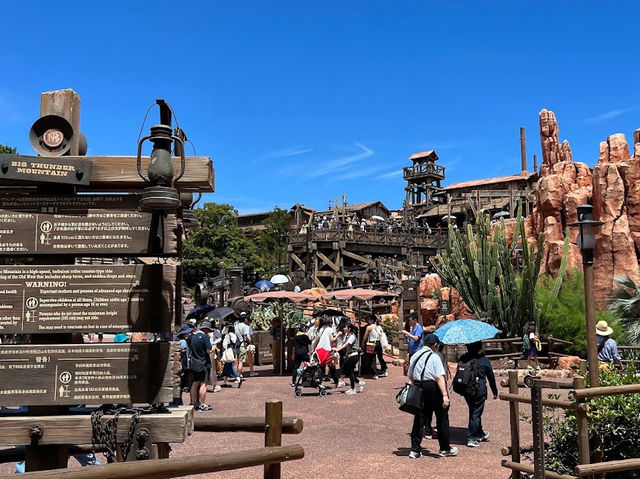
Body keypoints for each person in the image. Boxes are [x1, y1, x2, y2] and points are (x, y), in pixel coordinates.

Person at [407, 333, 457, 459]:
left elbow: (410, 375)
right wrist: (445, 395)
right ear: (435, 345)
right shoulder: (435, 357)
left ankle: (415, 449)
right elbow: (440, 377)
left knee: (419, 417)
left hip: (419, 386)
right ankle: (444, 448)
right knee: (441, 417)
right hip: (432, 387)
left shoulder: (415, 355)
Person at [457, 341, 498, 447]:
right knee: (476, 413)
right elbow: (491, 377)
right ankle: (472, 437)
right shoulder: (484, 360)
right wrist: (494, 391)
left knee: (474, 410)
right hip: (479, 389)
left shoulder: (464, 358)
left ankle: (479, 432)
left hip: (466, 389)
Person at [188, 321, 214, 411]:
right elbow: (208, 350)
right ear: (206, 329)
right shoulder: (205, 337)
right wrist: (213, 348)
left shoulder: (193, 337)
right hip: (204, 363)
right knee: (203, 384)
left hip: (194, 362)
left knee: (195, 383)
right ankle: (202, 404)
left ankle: (192, 402)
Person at [333, 323, 364, 394]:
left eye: (345, 327)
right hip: (349, 355)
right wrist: (337, 348)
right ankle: (359, 383)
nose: (344, 328)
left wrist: (338, 349)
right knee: (347, 371)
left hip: (354, 355)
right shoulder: (347, 335)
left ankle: (353, 389)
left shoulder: (352, 336)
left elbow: (347, 344)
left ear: (349, 329)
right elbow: (343, 343)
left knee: (350, 371)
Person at [235, 312, 252, 378]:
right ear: (245, 319)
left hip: (237, 344)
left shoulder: (236, 326)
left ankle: (237, 374)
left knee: (238, 359)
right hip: (242, 344)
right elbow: (246, 336)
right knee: (241, 362)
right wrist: (249, 342)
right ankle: (238, 375)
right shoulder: (246, 326)